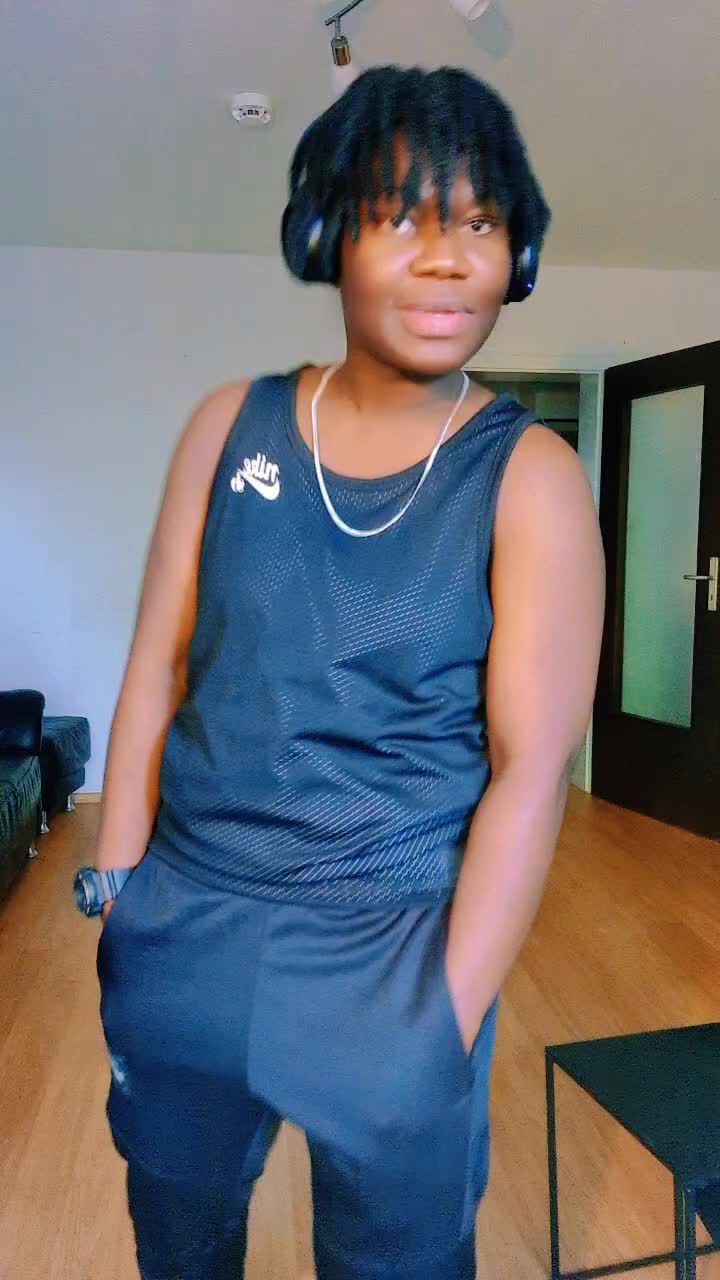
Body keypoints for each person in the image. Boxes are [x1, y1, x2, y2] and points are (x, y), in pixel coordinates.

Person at [73, 64, 605, 1280]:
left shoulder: (529, 478)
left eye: (481, 222)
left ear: (518, 255)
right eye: (403, 216)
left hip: (398, 950)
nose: (448, 257)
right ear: (329, 235)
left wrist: (443, 1018)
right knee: (180, 1245)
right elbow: (158, 662)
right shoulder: (229, 425)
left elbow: (531, 770)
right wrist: (121, 899)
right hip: (186, 930)